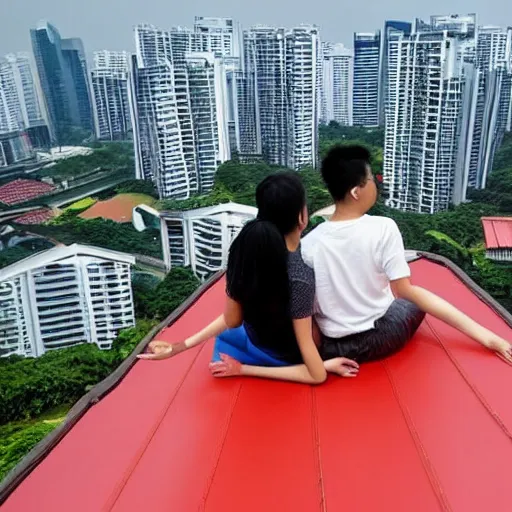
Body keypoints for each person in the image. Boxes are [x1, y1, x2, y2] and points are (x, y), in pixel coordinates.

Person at [137, 172, 359, 383]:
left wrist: (178, 347)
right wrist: (243, 370)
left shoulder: (246, 254)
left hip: (258, 343)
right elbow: (316, 374)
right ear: (302, 216)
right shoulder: (300, 275)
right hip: (293, 354)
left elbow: (231, 320)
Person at [300, 144, 512, 364]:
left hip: (333, 348)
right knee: (412, 303)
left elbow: (307, 312)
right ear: (356, 191)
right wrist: (487, 338)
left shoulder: (307, 245)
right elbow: (406, 292)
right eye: (372, 179)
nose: (376, 184)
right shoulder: (383, 227)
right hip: (377, 339)